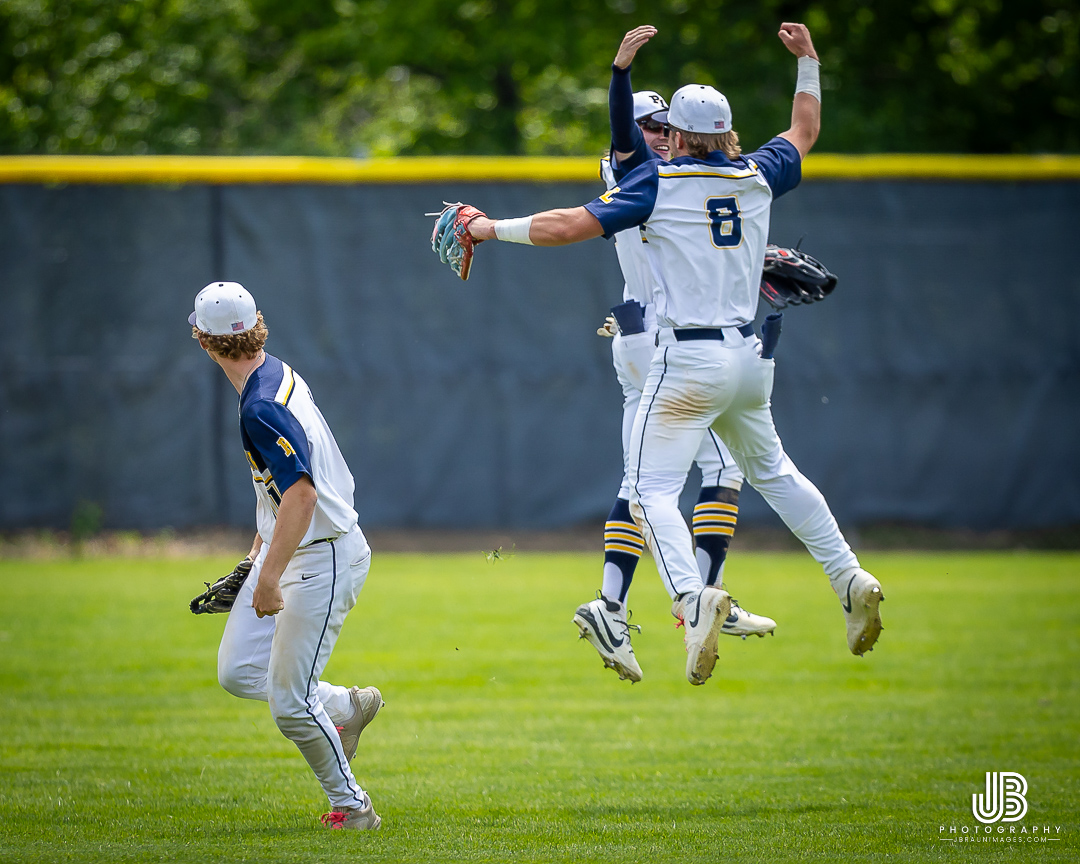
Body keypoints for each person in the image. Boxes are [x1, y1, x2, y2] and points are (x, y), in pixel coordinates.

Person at [455, 22, 884, 686]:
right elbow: (804, 131)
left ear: (677, 137)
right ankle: (849, 576)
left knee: (651, 489)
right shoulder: (757, 174)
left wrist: (488, 228)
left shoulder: (658, 183)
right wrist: (808, 62)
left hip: (684, 360)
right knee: (774, 474)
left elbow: (566, 225)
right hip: (749, 359)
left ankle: (691, 598)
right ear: (729, 131)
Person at [573, 26, 775, 685]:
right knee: (720, 467)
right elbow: (643, 150)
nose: (661, 134)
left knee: (644, 485)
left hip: (644, 335)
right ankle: (702, 601)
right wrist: (621, 72)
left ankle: (613, 604)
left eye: (666, 125)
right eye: (650, 126)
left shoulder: (663, 181)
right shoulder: (638, 170)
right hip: (664, 341)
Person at [189, 281, 384, 829]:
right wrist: (256, 560)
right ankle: (347, 707)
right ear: (258, 324)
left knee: (291, 705)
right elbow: (277, 494)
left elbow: (302, 494)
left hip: (324, 556)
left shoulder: (259, 404)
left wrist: (269, 577)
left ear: (202, 340)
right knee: (238, 670)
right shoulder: (276, 372)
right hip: (295, 546)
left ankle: (353, 808)